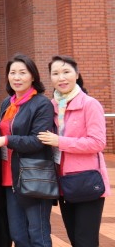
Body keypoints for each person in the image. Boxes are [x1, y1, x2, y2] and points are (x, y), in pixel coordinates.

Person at [0, 54, 54, 247]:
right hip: (10, 178)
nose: (17, 77)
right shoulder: (8, 103)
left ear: (33, 76)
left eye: (22, 73)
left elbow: (38, 141)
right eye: (12, 73)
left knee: (38, 235)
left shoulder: (42, 104)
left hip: (33, 177)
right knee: (18, 235)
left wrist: (6, 140)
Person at [38, 55, 111, 247]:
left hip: (87, 181)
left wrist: (59, 141)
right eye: (55, 73)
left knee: (85, 241)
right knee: (75, 240)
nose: (61, 78)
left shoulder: (90, 104)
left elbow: (97, 143)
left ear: (77, 74)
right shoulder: (50, 106)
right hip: (63, 184)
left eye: (66, 72)